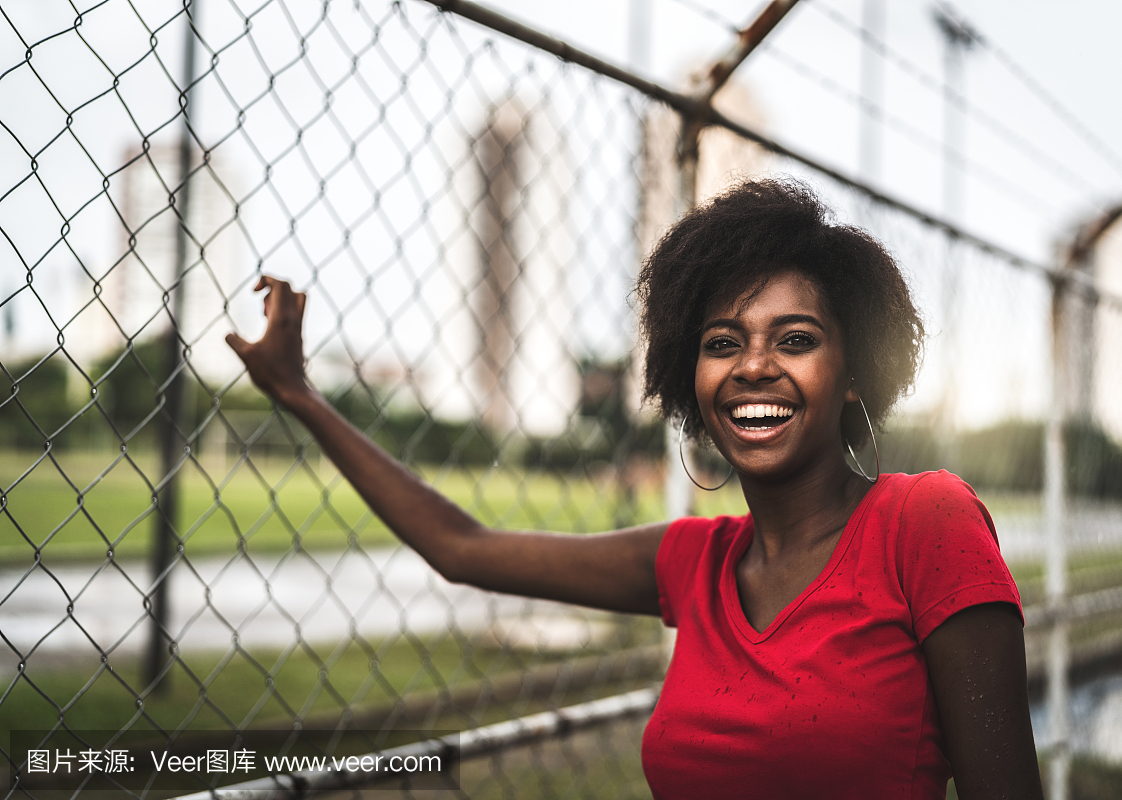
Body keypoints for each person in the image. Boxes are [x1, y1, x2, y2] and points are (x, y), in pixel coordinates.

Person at [226, 178, 1043, 799]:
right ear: (693, 378)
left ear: (855, 374)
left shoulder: (924, 522)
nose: (754, 365)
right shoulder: (694, 562)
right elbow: (460, 548)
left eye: (794, 339)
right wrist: (301, 397)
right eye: (723, 342)